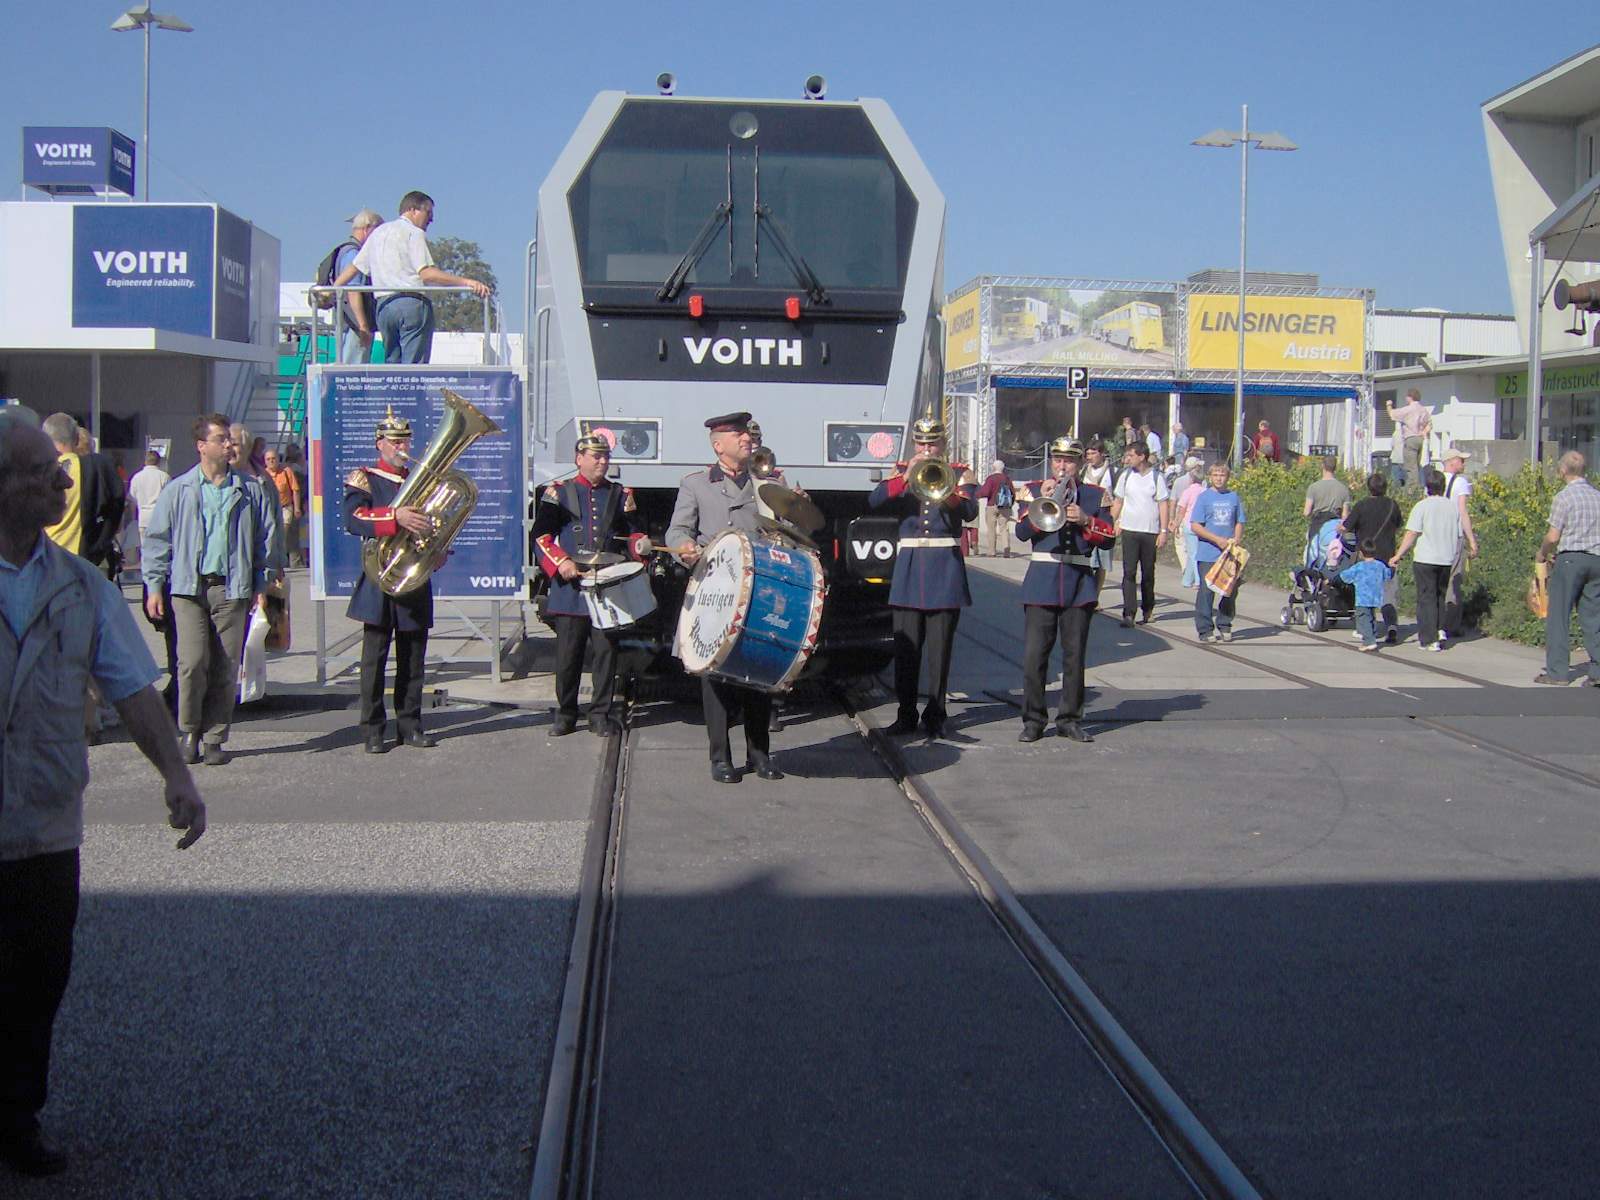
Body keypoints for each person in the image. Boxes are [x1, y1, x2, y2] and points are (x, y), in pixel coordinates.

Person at [0, 407, 206, 1180]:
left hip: (46, 823)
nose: (65, 485)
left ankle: (17, 1120)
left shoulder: (81, 585)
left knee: (38, 980)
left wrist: (177, 775)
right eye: (43, 474)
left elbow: (132, 689)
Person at [142, 415, 275, 765]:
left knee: (225, 666)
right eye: (220, 439)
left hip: (232, 588)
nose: (229, 444)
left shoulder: (249, 489)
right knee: (191, 662)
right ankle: (189, 731)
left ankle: (215, 737)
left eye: (229, 439)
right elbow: (157, 540)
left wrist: (261, 584)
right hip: (189, 588)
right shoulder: (180, 489)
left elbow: (264, 540)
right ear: (202, 446)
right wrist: (153, 586)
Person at [666, 412, 783, 782]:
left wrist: (798, 511)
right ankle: (720, 758)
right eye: (738, 435)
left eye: (747, 434)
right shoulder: (696, 484)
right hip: (714, 590)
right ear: (719, 445)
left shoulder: (769, 482)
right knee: (713, 673)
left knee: (758, 669)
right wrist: (683, 547)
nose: (747, 439)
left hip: (757, 588)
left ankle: (759, 754)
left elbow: (787, 529)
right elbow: (677, 530)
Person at [533, 434, 653, 735]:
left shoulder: (619, 493)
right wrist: (561, 562)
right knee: (568, 656)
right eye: (595, 456)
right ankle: (566, 713)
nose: (602, 462)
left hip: (606, 587)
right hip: (570, 585)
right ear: (579, 459)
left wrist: (640, 546)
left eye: (605, 457)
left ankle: (600, 713)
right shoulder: (559, 492)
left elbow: (633, 533)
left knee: (606, 654)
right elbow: (541, 536)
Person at [868, 415, 977, 739]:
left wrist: (947, 489)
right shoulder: (901, 470)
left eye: (933, 443)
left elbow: (969, 512)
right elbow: (874, 501)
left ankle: (936, 715)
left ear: (943, 443)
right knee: (907, 650)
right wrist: (905, 478)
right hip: (910, 567)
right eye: (921, 442)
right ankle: (906, 714)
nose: (927, 448)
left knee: (940, 652)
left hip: (944, 568)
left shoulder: (960, 472)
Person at [344, 407, 438, 753]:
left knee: (413, 659)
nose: (402, 447)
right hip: (379, 576)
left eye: (406, 441)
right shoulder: (364, 477)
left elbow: (434, 521)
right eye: (395, 441)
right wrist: (394, 516)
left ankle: (410, 725)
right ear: (379, 443)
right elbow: (353, 519)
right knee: (374, 659)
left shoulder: (420, 479)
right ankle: (372, 729)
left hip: (413, 575)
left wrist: (438, 548)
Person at [1014, 437, 1111, 743]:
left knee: (1074, 657)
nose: (1062, 466)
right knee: (1034, 656)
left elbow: (1109, 538)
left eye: (1069, 460)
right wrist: (1038, 504)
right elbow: (1021, 532)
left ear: (1080, 463)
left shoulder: (1095, 495)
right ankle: (1033, 720)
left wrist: (1086, 520)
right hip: (1041, 582)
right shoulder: (1033, 490)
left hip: (1078, 583)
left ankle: (1069, 719)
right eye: (1057, 459)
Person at [331, 190, 492, 365]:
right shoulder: (414, 233)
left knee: (392, 364)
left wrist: (332, 289)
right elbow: (427, 273)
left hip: (384, 308)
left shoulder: (378, 233)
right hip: (411, 304)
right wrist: (467, 282)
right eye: (428, 212)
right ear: (413, 210)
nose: (431, 219)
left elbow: (354, 267)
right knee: (414, 368)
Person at [1389, 468, 1476, 652]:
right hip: (1446, 558)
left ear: (1427, 487)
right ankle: (1439, 630)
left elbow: (1412, 533)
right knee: (1439, 596)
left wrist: (1398, 554)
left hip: (1425, 558)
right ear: (1443, 487)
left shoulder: (1421, 506)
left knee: (1425, 598)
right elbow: (1457, 532)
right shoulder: (1452, 507)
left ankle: (1429, 639)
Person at [1533, 451, 1600, 685]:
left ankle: (1557, 671)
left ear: (1562, 471)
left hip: (1570, 559)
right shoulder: (1597, 496)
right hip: (1596, 560)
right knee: (1593, 616)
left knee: (1559, 615)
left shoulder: (1564, 497)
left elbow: (1553, 536)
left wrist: (1542, 553)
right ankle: (1598, 670)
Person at [41, 413, 124, 570]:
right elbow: (117, 505)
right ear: (76, 439)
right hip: (88, 561)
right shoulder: (98, 467)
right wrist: (102, 542)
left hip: (48, 560)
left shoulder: (38, 471)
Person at [1111, 441, 1170, 626]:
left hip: (1149, 531)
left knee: (1148, 572)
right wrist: (1112, 522)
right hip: (1129, 530)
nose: (1127, 459)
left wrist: (1163, 531)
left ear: (1142, 456)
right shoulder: (1126, 476)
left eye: (1131, 455)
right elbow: (1118, 501)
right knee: (1129, 572)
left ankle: (1147, 608)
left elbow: (1163, 504)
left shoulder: (1156, 477)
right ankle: (1129, 613)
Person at [1341, 472, 1403, 642]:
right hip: (1388, 555)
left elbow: (1346, 527)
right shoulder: (1393, 505)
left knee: (1365, 592)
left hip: (1366, 555)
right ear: (1385, 487)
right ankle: (1391, 625)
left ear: (1369, 487)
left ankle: (1367, 628)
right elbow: (1398, 525)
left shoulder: (1361, 505)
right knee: (1388, 593)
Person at [1189, 462, 1246, 642]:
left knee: (1230, 590)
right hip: (1208, 552)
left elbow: (1239, 521)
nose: (1219, 478)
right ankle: (1205, 629)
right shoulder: (1204, 498)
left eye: (1222, 475)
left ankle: (1225, 623)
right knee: (1206, 591)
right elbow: (1195, 525)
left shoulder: (1233, 497)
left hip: (1229, 553)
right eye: (1215, 475)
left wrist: (1236, 538)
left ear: (1227, 477)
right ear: (1210, 477)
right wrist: (1216, 539)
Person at [334, 208, 383, 364]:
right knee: (354, 370)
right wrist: (363, 326)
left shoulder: (344, 251)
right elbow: (353, 290)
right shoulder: (354, 255)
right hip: (354, 326)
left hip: (347, 322)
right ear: (367, 229)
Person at [1439, 446, 1476, 639]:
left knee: (1438, 578)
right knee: (1454, 579)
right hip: (1454, 536)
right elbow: (1463, 512)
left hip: (1436, 536)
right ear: (1452, 462)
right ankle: (1451, 623)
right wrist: (1471, 540)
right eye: (1461, 460)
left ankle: (1435, 620)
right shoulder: (1460, 482)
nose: (1463, 463)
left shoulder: (1434, 480)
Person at [1335, 539, 1395, 651]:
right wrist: (1392, 567)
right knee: (1371, 617)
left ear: (1361, 553)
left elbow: (1344, 576)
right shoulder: (1380, 565)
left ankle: (1369, 641)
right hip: (1375, 597)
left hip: (1362, 598)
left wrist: (1334, 580)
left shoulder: (1359, 567)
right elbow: (1388, 575)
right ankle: (1372, 635)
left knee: (1363, 619)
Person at [1081, 441, 1118, 590]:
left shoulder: (1113, 472)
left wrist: (1116, 521)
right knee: (1087, 559)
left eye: (1093, 453)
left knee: (1102, 562)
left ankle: (1096, 593)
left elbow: (1118, 498)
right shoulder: (1083, 471)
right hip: (1086, 519)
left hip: (1104, 518)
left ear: (1102, 454)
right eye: (1088, 454)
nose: (1090, 457)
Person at [126, 450, 170, 567]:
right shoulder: (164, 476)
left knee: (145, 548)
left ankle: (146, 572)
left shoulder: (136, 477)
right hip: (159, 516)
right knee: (159, 548)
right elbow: (169, 498)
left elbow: (132, 499)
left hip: (143, 517)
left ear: (145, 461)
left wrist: (133, 517)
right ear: (159, 462)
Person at [1170, 456, 1207, 589]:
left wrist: (1174, 522)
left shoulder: (1185, 489)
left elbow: (1180, 509)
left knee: (1192, 553)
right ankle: (1188, 580)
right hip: (1201, 524)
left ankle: (1196, 580)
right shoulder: (1205, 491)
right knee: (1195, 553)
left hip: (1188, 524)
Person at [263, 448, 303, 568]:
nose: (271, 461)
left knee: (283, 532)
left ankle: (283, 560)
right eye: (268, 459)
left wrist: (297, 508)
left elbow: (295, 490)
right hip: (271, 509)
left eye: (273, 458)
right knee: (272, 534)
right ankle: (275, 561)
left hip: (286, 507)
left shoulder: (286, 471)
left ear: (278, 459)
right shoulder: (263, 474)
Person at [1386, 388, 1432, 485]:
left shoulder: (1408, 409)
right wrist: (1423, 432)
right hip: (1420, 439)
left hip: (1410, 438)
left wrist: (1389, 405)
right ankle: (1419, 485)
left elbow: (1392, 414)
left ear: (1410, 397)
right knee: (1417, 465)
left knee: (1410, 467)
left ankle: (1413, 488)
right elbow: (1429, 424)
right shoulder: (1423, 410)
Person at [1303, 455, 1351, 541]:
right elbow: (1345, 516)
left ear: (1323, 466)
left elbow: (1306, 512)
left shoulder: (1313, 487)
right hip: (1334, 529)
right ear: (1335, 468)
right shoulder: (1344, 489)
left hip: (1317, 528)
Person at [976, 459, 1016, 557]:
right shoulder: (1007, 479)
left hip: (992, 505)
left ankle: (992, 551)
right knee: (1004, 528)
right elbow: (1012, 493)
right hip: (1005, 507)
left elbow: (985, 492)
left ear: (993, 468)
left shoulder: (991, 478)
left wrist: (976, 495)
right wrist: (1010, 505)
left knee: (991, 529)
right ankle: (1006, 550)